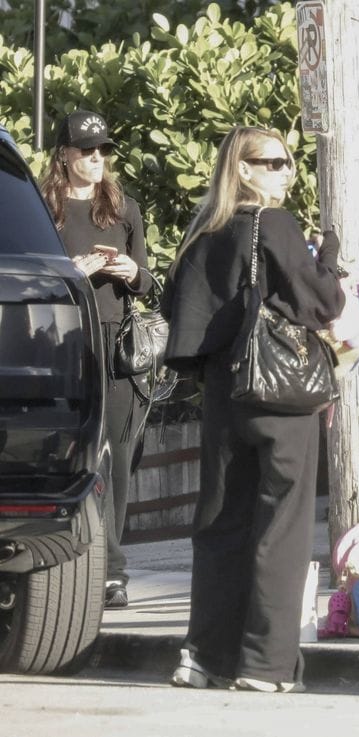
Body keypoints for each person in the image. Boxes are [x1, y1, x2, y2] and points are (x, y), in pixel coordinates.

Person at [161, 126, 344, 691]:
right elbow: (323, 301)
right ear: (241, 170)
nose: (286, 172)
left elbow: (180, 318)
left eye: (289, 163)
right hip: (281, 395)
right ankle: (265, 666)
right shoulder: (276, 224)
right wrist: (330, 259)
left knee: (220, 524)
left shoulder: (203, 233)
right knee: (281, 528)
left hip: (222, 394)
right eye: (272, 162)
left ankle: (204, 658)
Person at [40, 110, 154, 609]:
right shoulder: (45, 209)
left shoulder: (124, 207)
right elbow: (32, 280)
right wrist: (72, 273)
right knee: (70, 453)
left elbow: (150, 282)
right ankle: (70, 561)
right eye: (86, 150)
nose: (96, 159)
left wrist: (131, 271)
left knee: (118, 456)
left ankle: (112, 569)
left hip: (116, 343)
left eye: (103, 150)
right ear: (64, 154)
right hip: (64, 342)